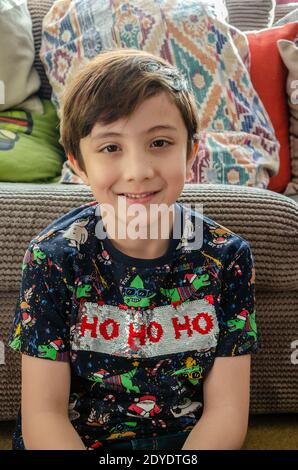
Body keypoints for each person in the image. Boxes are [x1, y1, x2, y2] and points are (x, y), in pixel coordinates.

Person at [8, 48, 257, 450]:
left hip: (184, 440)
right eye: (110, 148)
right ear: (78, 164)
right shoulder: (52, 258)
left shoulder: (226, 257)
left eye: (159, 142)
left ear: (191, 152)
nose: (138, 170)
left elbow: (227, 412)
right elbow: (43, 415)